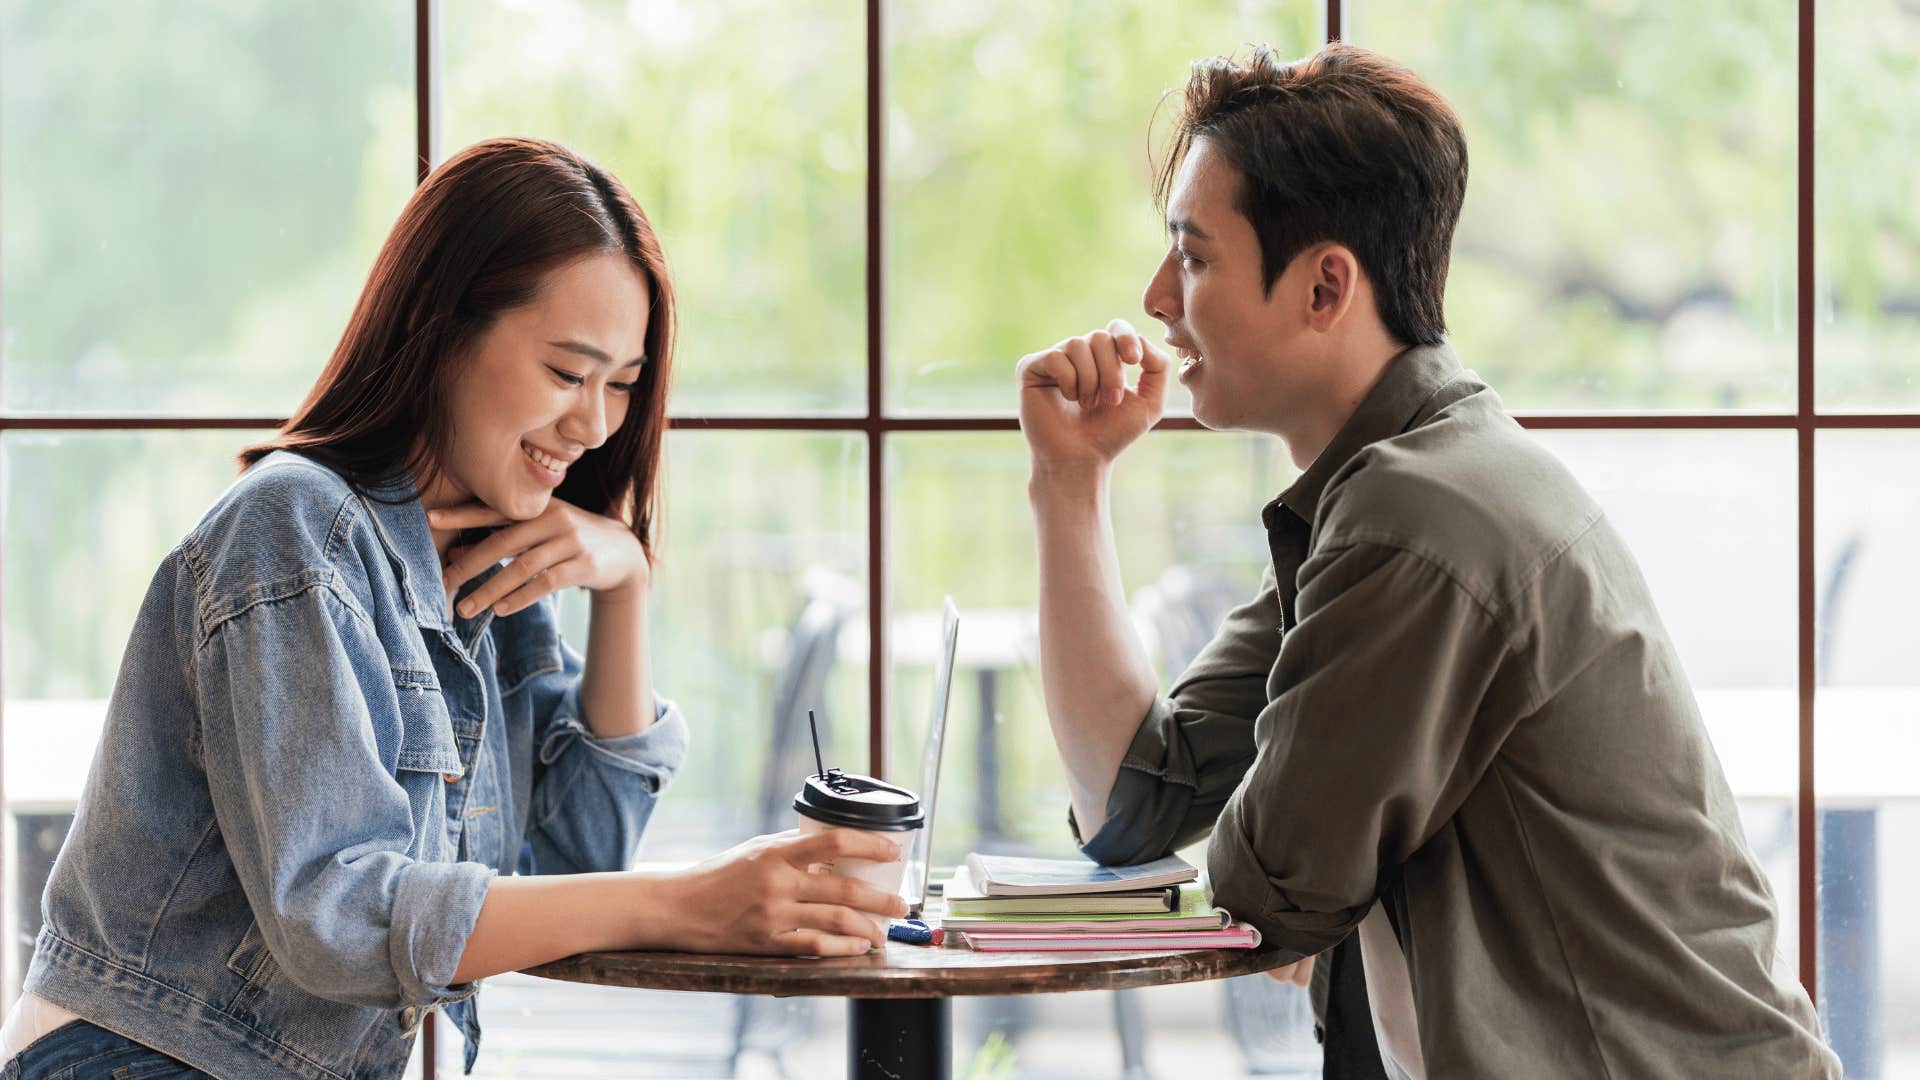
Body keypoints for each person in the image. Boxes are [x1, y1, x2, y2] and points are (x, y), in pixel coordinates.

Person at [1016, 44, 1840, 1079]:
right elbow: (1136, 811)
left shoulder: (1420, 519)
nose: (1154, 298)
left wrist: (1296, 884)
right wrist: (1070, 481)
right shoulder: (1388, 493)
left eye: (1193, 257)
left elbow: (1264, 895)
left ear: (1324, 287)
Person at [6, 137, 906, 1080]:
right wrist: (687, 900)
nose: (596, 424)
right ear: (442, 333)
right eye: (567, 372)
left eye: (622, 386)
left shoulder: (492, 559)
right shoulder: (293, 528)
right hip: (141, 1059)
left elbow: (571, 864)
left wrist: (626, 584)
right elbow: (340, 917)